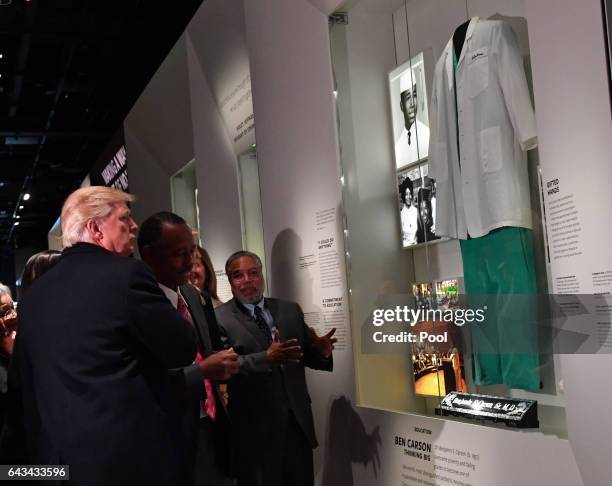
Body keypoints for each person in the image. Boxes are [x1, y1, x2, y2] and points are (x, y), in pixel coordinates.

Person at [9, 186, 197, 485]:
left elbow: (24, 387)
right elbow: (183, 348)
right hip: (129, 464)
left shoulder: (34, 296)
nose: (134, 226)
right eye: (124, 218)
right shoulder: (127, 275)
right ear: (95, 228)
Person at [216, 250, 337, 486]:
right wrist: (265, 359)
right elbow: (224, 370)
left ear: (262, 275)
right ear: (230, 281)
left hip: (296, 425)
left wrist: (321, 353)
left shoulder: (290, 309)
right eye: (238, 275)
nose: (247, 280)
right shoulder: (220, 319)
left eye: (253, 273)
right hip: (254, 432)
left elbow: (300, 356)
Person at [139, 212, 238, 486]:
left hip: (210, 423)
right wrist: (201, 371)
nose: (191, 261)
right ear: (149, 255)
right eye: (179, 253)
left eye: (192, 251)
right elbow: (142, 382)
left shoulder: (194, 297)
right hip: (167, 433)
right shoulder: (138, 306)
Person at [399, 177, 418, 247]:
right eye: (406, 194)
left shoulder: (416, 211)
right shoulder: (401, 215)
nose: (409, 196)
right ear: (403, 196)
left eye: (410, 193)